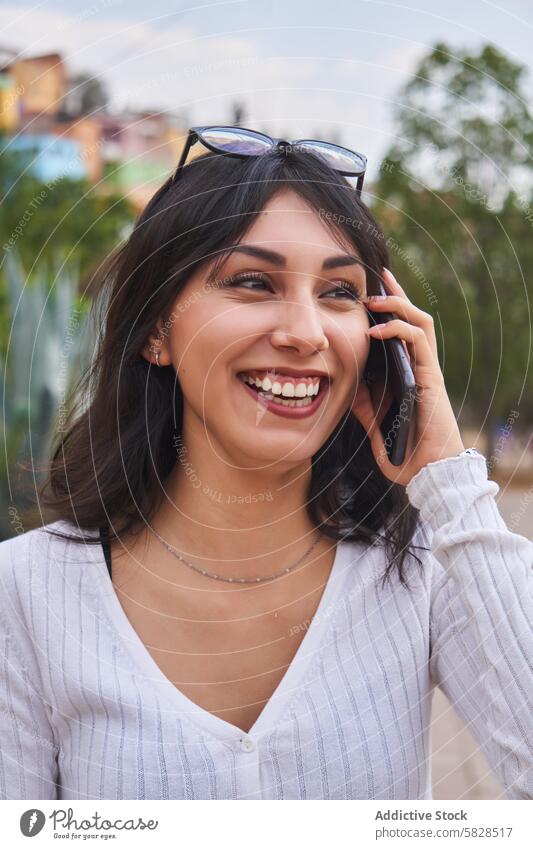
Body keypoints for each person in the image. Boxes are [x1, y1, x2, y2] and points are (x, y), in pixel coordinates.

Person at [0, 127, 532, 801]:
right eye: (253, 281)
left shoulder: (424, 566)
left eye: (339, 291)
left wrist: (447, 476)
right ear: (157, 330)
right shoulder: (25, 593)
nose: (305, 332)